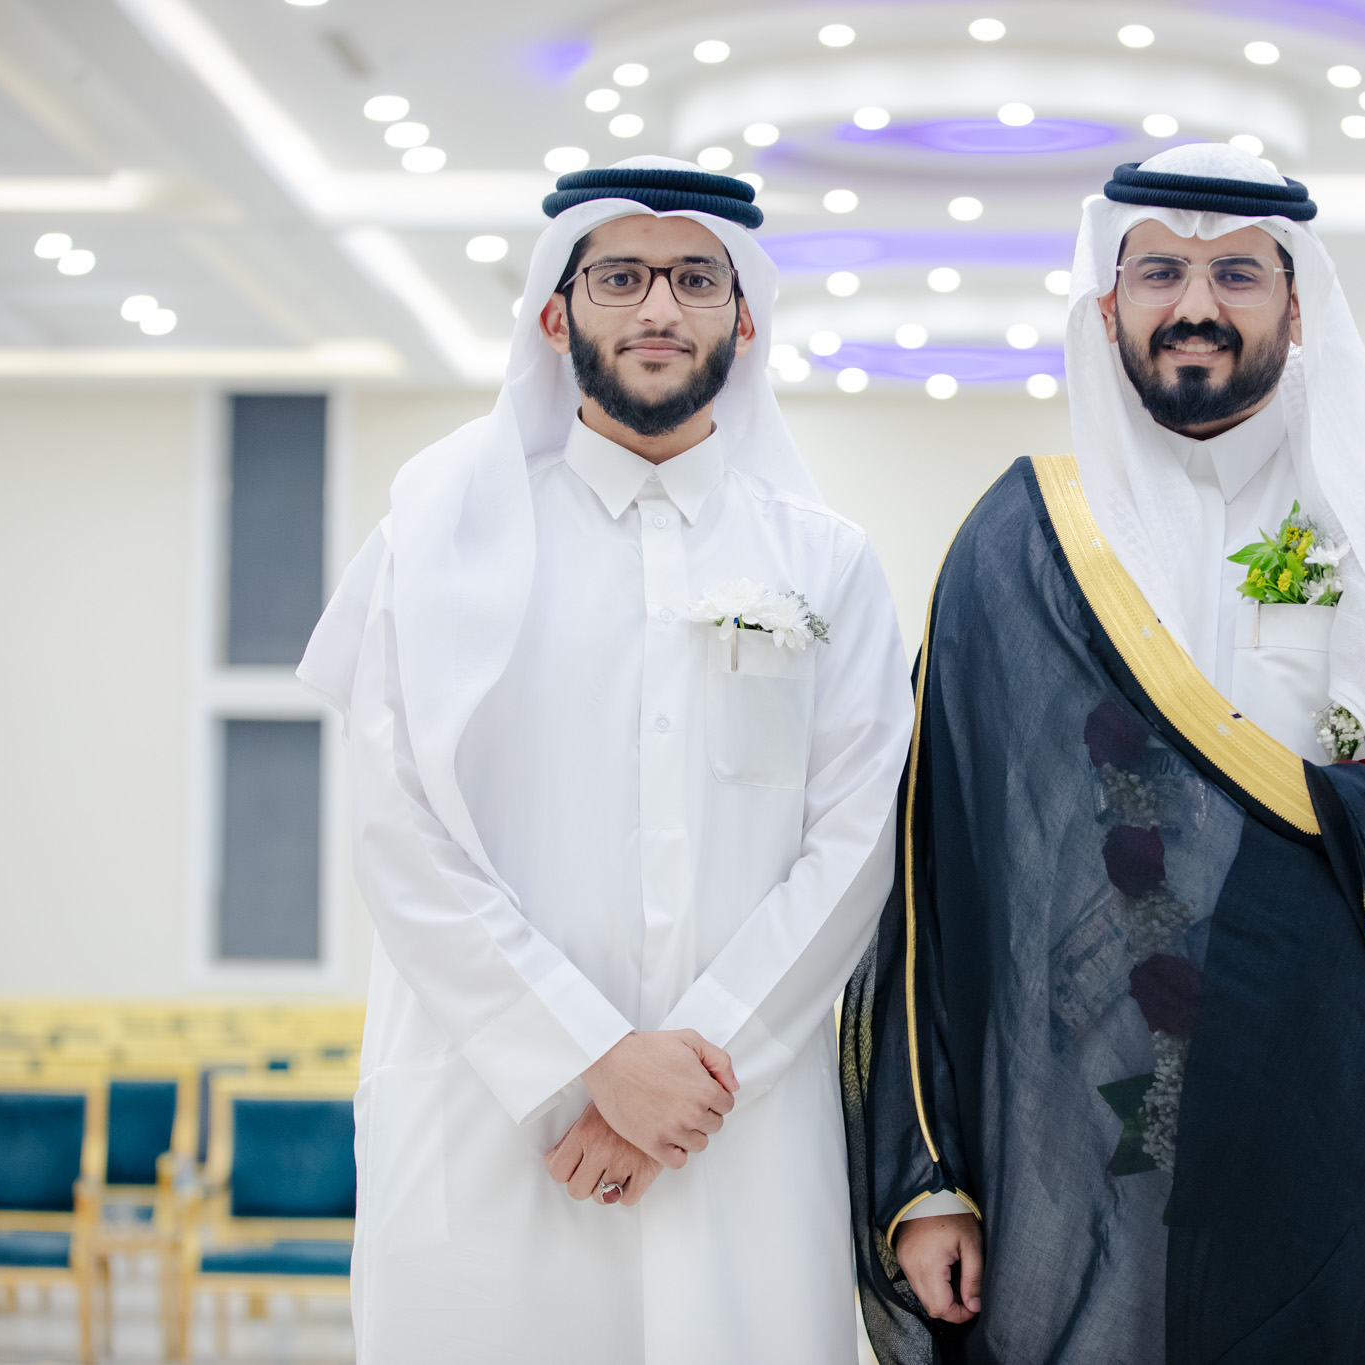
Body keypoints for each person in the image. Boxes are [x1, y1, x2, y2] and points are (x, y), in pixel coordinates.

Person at [842, 144, 1365, 1364]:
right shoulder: (1026, 536)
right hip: (1092, 1149)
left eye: (1237, 273)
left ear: (1297, 305)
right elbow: (944, 877)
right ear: (1108, 304)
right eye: (1159, 272)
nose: (1194, 304)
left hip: (1358, 1118)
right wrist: (934, 1178)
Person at [298, 156, 913, 1364]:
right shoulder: (436, 541)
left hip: (735, 1126)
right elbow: (395, 831)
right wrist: (589, 1058)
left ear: (744, 319)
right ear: (554, 314)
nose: (657, 308)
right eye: (620, 278)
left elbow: (857, 844)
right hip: (491, 1111)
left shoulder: (826, 562)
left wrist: (687, 1076)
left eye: (694, 279)